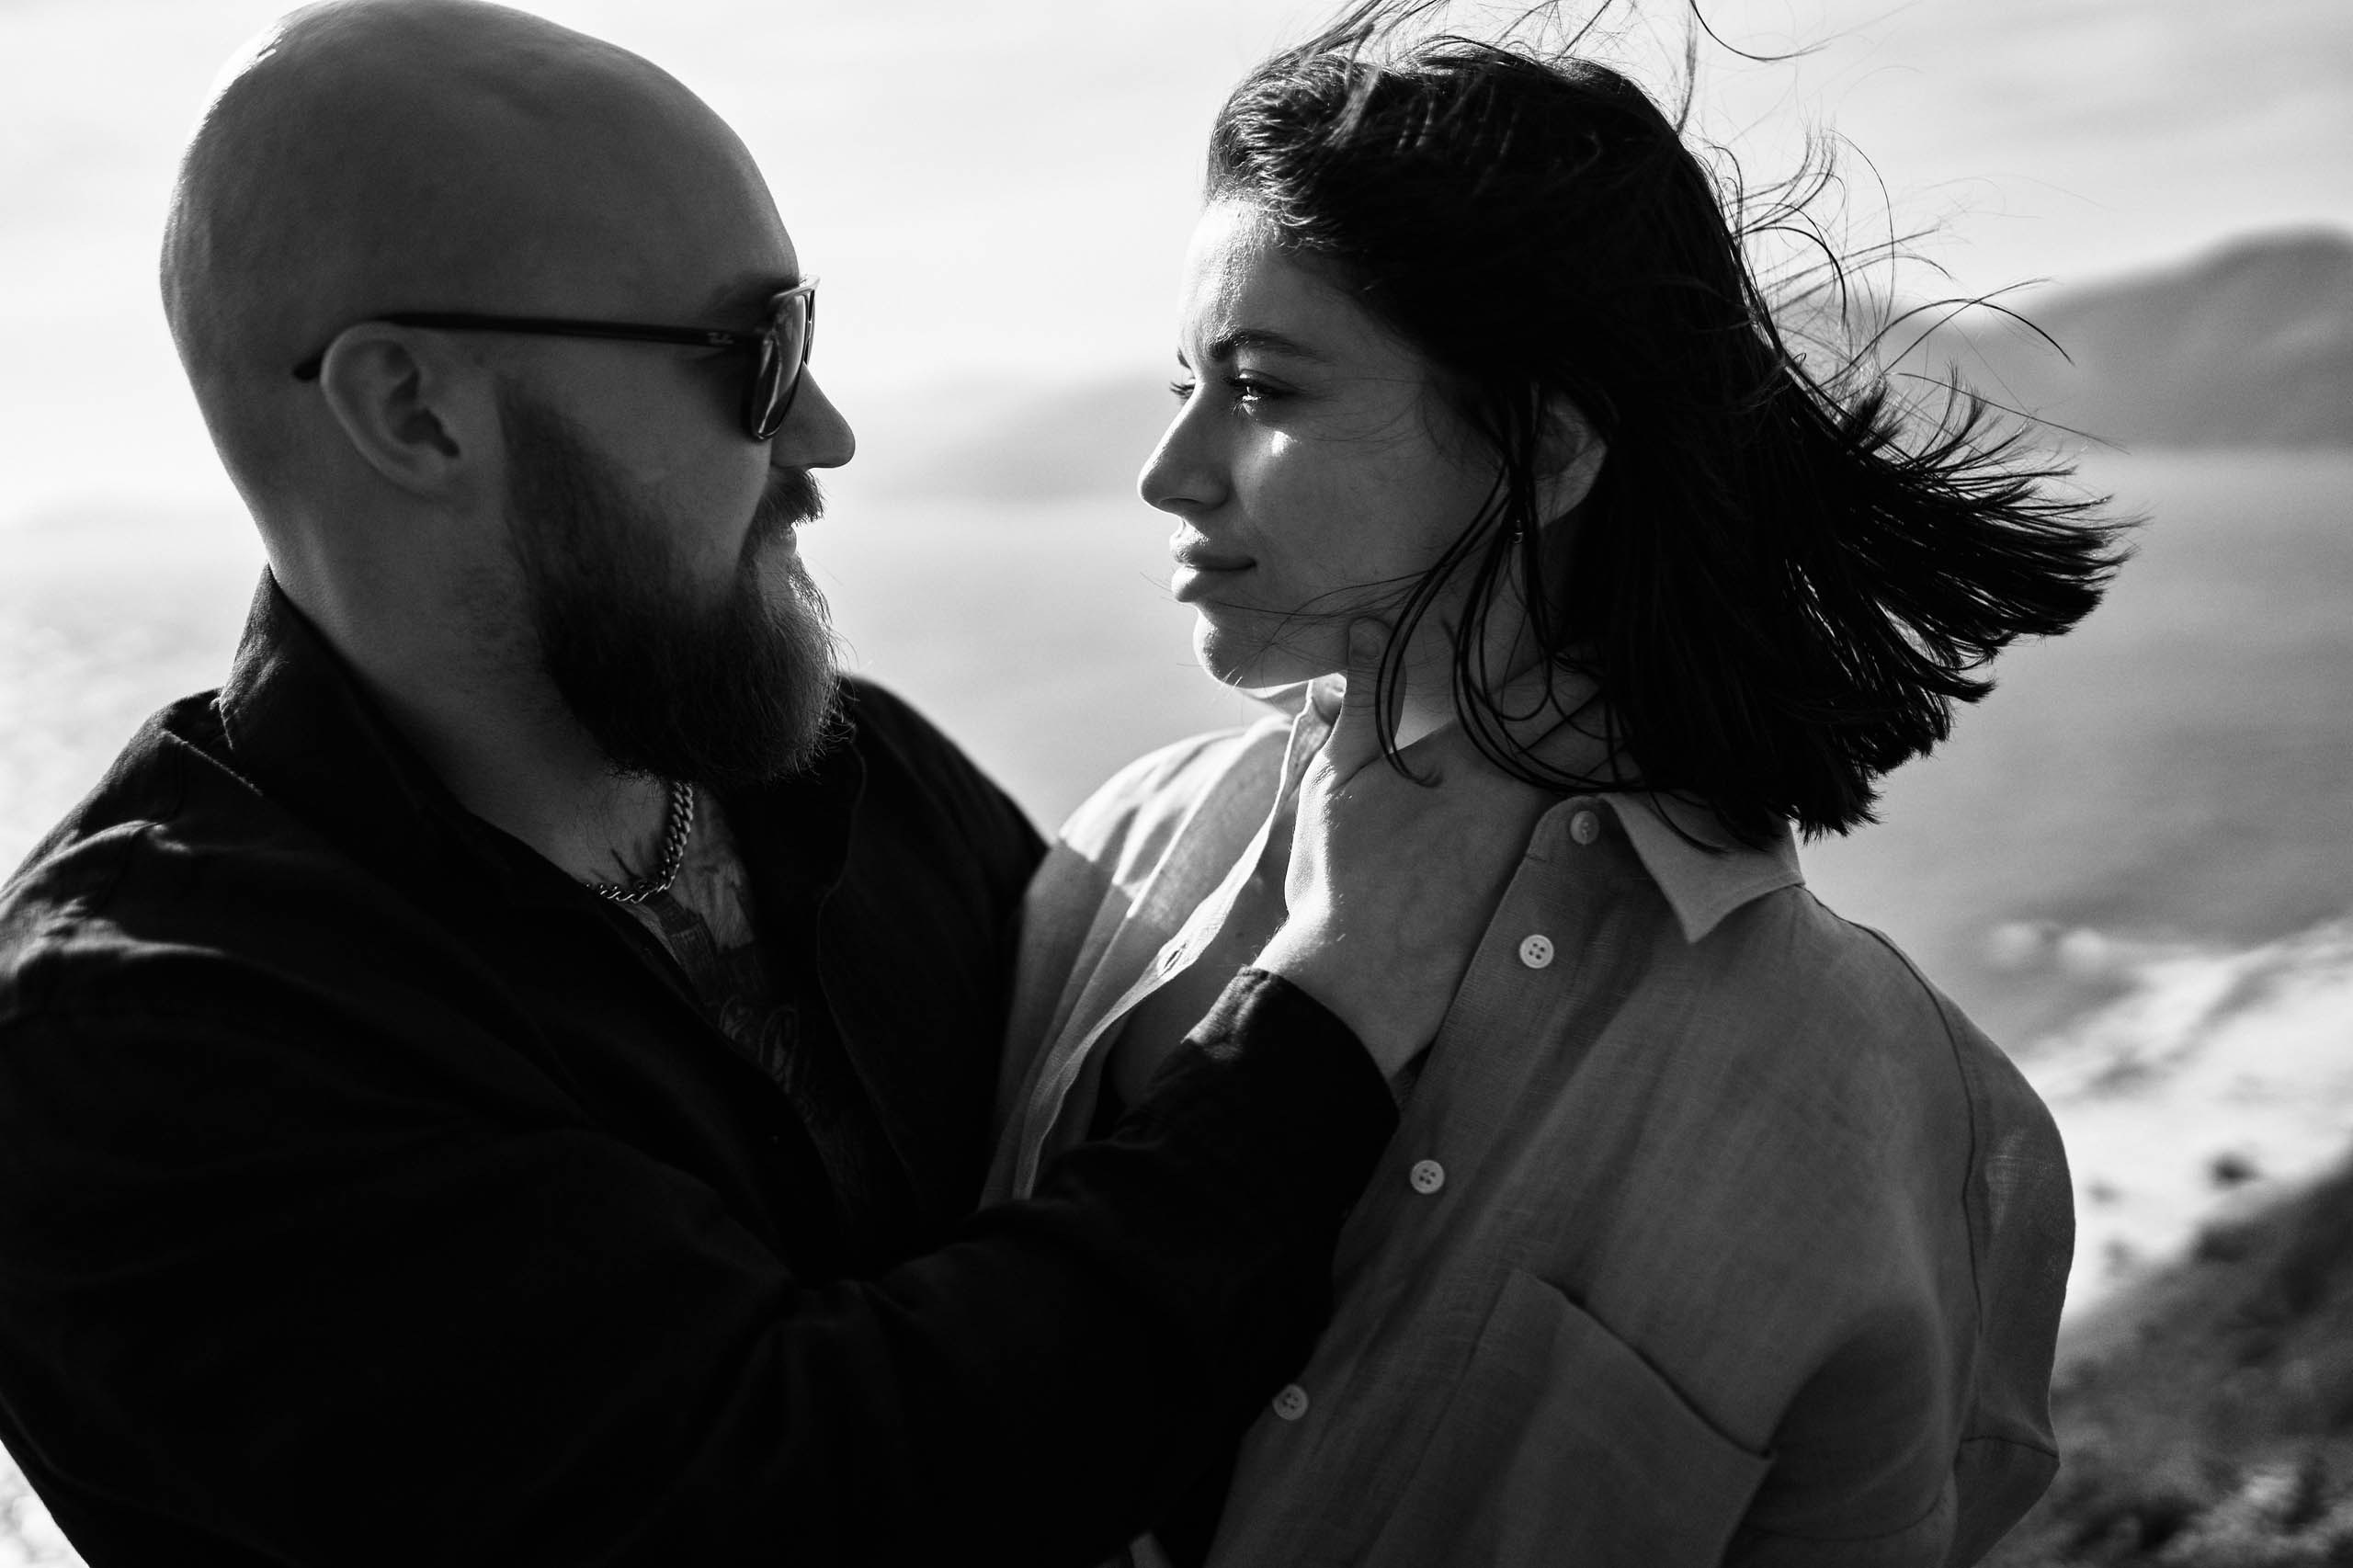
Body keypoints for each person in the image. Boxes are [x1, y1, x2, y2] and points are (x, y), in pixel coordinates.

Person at [0, 3, 1546, 1563]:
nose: (826, 431)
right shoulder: (136, 1049)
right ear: (416, 411)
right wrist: (1332, 1005)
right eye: (755, 358)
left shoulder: (850, 775)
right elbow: (823, 1497)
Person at [988, 6, 2128, 1565]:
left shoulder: (1911, 1119)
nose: (1169, 468)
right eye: (1183, 381)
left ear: (1541, 444)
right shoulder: (1121, 855)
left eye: (1262, 387)